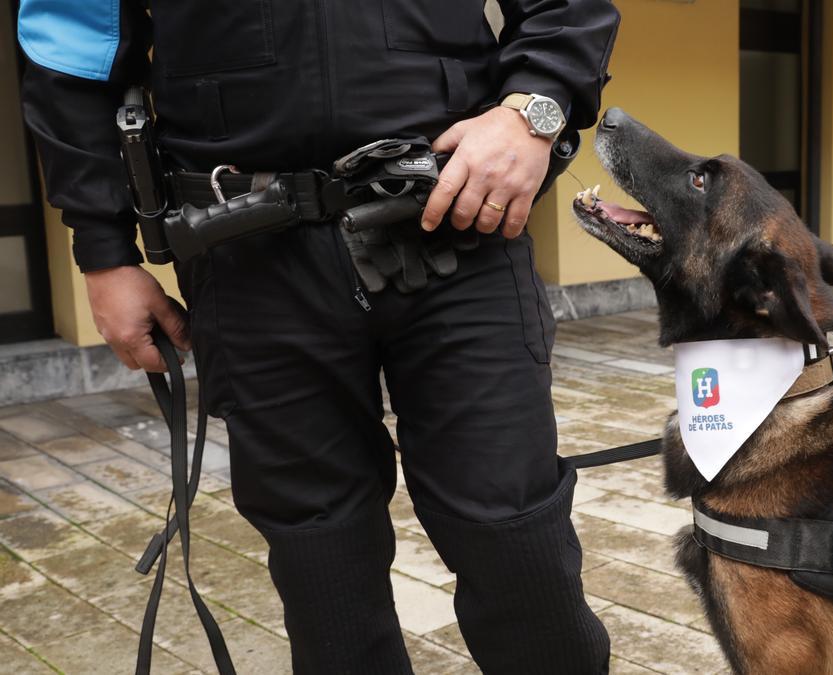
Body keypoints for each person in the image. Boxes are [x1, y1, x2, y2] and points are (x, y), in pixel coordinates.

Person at [18, 1, 620, 672]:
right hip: (244, 250)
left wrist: (532, 111)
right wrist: (103, 251)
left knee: (515, 543)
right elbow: (70, 44)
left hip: (452, 227)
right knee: (322, 565)